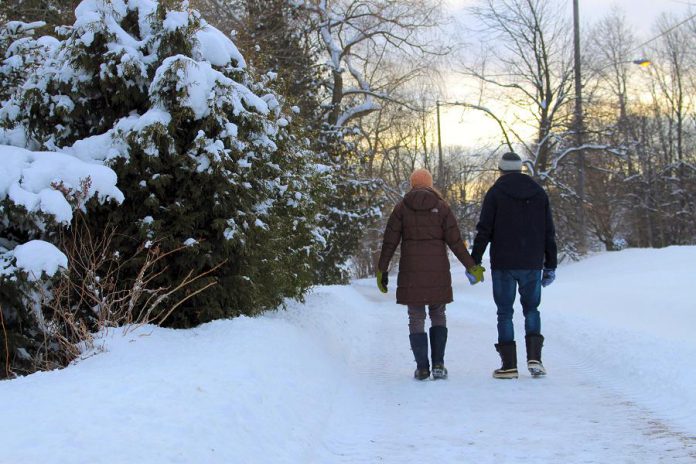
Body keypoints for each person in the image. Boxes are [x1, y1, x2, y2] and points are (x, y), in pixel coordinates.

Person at [376, 168, 485, 380]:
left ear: (412, 184)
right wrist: (471, 265)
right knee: (438, 314)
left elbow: (389, 242)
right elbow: (455, 242)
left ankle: (422, 368)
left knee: (416, 317)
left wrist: (382, 269)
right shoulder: (442, 207)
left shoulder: (401, 208)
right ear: (430, 184)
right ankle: (438, 365)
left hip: (411, 273)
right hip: (438, 273)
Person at [471, 152, 557, 379]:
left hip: (504, 263)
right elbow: (549, 231)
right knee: (532, 309)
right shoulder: (539, 193)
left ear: (500, 169)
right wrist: (551, 264)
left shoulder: (496, 193)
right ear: (520, 169)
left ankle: (509, 366)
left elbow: (484, 230)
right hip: (531, 262)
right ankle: (535, 359)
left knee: (504, 312)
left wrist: (475, 261)